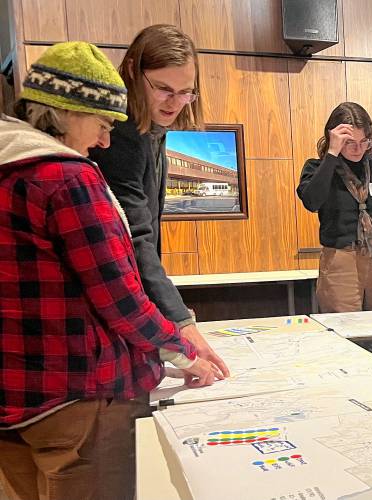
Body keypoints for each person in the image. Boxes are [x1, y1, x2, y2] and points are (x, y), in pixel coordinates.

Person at [0, 42, 219, 500]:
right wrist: (182, 349)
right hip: (79, 402)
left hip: (16, 398)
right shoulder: (67, 177)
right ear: (65, 112)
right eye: (102, 125)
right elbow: (120, 298)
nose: (103, 142)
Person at [88, 25, 229, 380]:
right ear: (133, 71)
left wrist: (171, 320)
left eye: (186, 92)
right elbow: (135, 237)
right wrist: (180, 323)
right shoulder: (121, 134)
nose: (175, 103)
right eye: (164, 89)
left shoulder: (152, 128)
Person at [297, 102, 372, 362]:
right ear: (333, 136)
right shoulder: (316, 168)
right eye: (350, 142)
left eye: (364, 142)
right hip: (342, 259)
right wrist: (331, 154)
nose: (358, 149)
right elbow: (312, 201)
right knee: (346, 334)